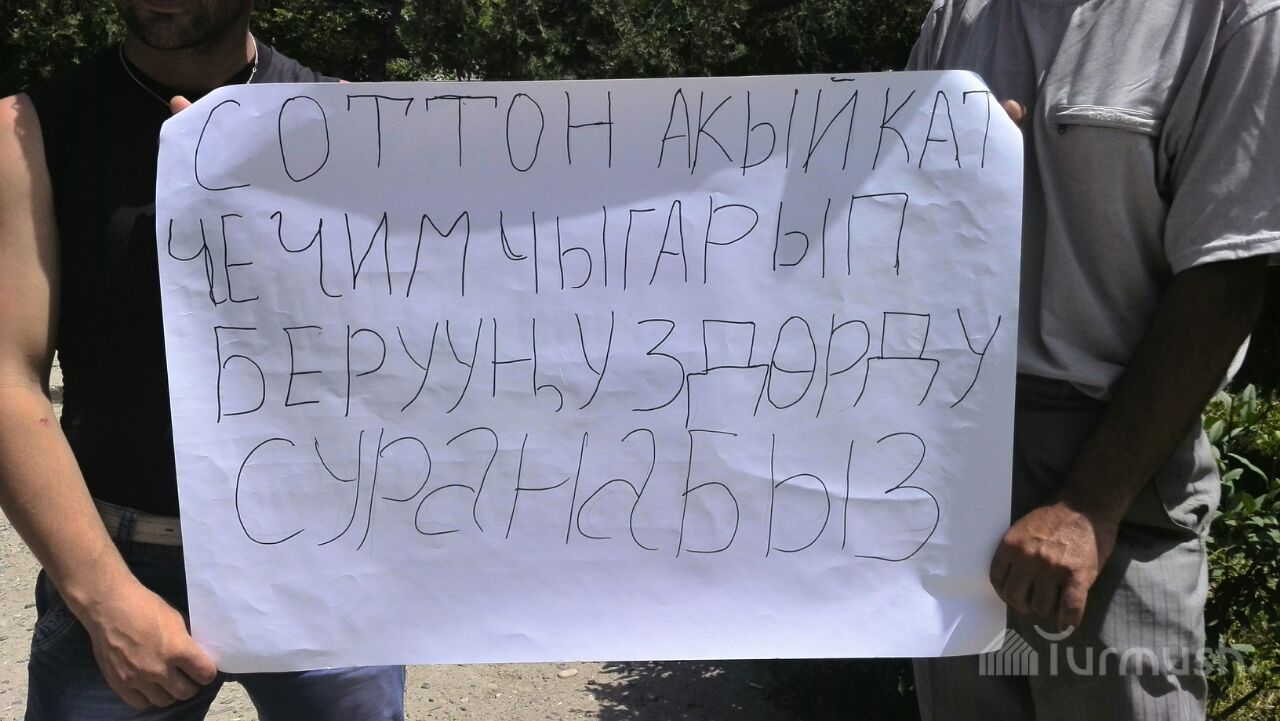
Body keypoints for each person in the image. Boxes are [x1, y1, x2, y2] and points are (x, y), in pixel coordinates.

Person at [0, 1, 406, 718]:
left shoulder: (347, 123)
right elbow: (7, 376)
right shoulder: (26, 133)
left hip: (324, 562)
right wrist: (106, 599)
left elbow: (420, 358)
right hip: (123, 562)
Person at [905, 1, 1279, 719]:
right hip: (952, 455)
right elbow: (894, 223)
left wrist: (1087, 508)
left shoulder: (1231, 17)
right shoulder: (959, 15)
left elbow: (1225, 280)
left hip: (1118, 466)